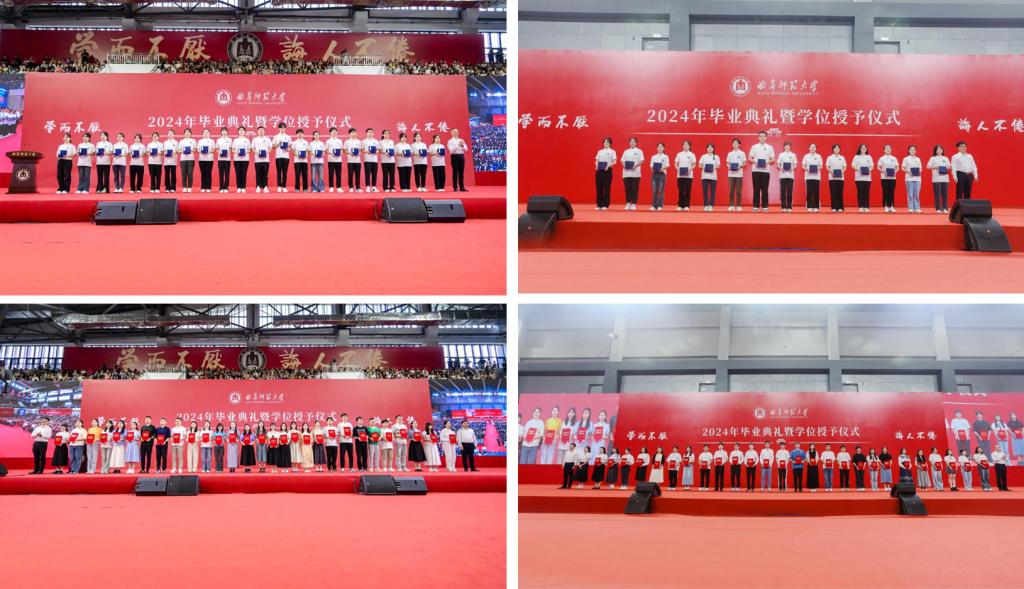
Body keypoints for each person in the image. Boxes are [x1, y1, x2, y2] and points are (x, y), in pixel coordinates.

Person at [748, 130, 775, 212]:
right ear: (758, 137)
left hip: (765, 171)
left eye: (764, 136)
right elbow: (749, 158)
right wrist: (755, 162)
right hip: (755, 170)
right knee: (756, 188)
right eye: (760, 136)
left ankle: (765, 206)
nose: (762, 137)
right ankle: (755, 206)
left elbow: (773, 159)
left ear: (766, 138)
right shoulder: (754, 147)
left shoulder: (770, 147)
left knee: (765, 189)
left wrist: (767, 163)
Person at [621, 136, 644, 211]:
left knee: (634, 189)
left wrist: (635, 166)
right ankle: (628, 203)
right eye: (631, 141)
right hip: (626, 173)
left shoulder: (639, 151)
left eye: (633, 141)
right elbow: (622, 160)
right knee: (627, 189)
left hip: (635, 173)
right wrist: (624, 166)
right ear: (629, 143)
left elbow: (642, 160)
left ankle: (634, 204)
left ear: (636, 143)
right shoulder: (626, 151)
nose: (632, 143)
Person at [593, 137, 616, 210]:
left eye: (607, 142)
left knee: (607, 188)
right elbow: (596, 160)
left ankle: (605, 205)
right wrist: (597, 165)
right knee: (599, 188)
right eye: (604, 142)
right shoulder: (600, 151)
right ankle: (599, 204)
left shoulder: (612, 151)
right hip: (599, 171)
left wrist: (608, 166)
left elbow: (614, 161)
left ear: (610, 143)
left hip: (607, 171)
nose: (605, 143)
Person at [927, 144, 951, 213]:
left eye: (940, 149)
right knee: (937, 194)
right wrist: (935, 167)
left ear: (942, 150)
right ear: (935, 151)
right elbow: (928, 166)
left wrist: (947, 167)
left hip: (945, 178)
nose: (939, 150)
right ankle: (938, 208)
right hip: (936, 178)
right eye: (938, 149)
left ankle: (945, 208)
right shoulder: (933, 158)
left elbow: (949, 166)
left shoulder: (945, 158)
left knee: (945, 194)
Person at [776, 141, 798, 212]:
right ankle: (783, 207)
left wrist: (792, 168)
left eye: (788, 145)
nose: (787, 147)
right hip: (782, 175)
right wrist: (781, 168)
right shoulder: (781, 154)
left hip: (790, 176)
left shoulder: (793, 155)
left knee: (789, 191)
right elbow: (778, 164)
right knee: (783, 191)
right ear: (784, 147)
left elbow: (795, 164)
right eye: (786, 145)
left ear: (790, 147)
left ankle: (789, 206)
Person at [877, 144, 899, 213]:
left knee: (891, 192)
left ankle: (892, 206)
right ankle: (886, 206)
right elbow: (878, 167)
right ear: (884, 150)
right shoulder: (881, 158)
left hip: (893, 178)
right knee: (885, 191)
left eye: (889, 148)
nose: (888, 150)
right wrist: (883, 171)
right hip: (884, 178)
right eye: (886, 148)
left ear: (891, 150)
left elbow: (897, 167)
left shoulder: (894, 158)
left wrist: (895, 171)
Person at [697, 143, 719, 211]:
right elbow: (699, 165)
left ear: (713, 149)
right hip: (704, 177)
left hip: (713, 177)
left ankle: (711, 205)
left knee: (713, 192)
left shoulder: (716, 157)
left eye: (711, 147)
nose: (710, 148)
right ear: (706, 149)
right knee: (705, 192)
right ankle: (706, 205)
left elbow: (718, 165)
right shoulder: (703, 156)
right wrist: (704, 167)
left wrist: (713, 168)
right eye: (708, 147)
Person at [726, 138, 746, 211]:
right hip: (731, 175)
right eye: (734, 143)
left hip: (739, 175)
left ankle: (738, 206)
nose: (735, 144)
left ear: (739, 144)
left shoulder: (742, 153)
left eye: (736, 142)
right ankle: (731, 205)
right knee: (731, 191)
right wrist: (729, 167)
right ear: (732, 144)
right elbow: (727, 163)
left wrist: (739, 166)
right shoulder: (729, 153)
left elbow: (744, 163)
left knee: (738, 191)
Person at [852, 143, 873, 212]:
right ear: (860, 149)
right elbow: (853, 166)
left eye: (865, 148)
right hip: (859, 178)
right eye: (862, 148)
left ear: (866, 149)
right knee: (860, 192)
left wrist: (868, 170)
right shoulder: (856, 157)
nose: (863, 149)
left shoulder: (869, 157)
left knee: (866, 192)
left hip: (867, 178)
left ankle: (866, 207)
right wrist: (860, 170)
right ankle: (860, 207)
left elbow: (872, 166)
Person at [802, 143, 824, 212]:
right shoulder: (806, 156)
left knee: (816, 192)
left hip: (816, 177)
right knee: (809, 192)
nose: (812, 148)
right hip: (808, 177)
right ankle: (809, 206)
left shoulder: (819, 156)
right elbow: (803, 165)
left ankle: (816, 207)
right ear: (809, 148)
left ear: (816, 148)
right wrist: (807, 169)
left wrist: (817, 169)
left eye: (814, 147)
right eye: (811, 147)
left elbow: (821, 166)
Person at [826, 144, 847, 212]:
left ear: (839, 149)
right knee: (833, 193)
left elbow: (844, 166)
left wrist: (842, 172)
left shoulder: (842, 158)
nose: (837, 149)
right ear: (833, 149)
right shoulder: (830, 157)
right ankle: (834, 208)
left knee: (840, 192)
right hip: (832, 178)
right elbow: (827, 166)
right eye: (835, 148)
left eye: (838, 148)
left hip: (840, 178)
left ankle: (840, 207)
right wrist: (831, 172)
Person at [251, 126, 272, 193]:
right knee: (258, 174)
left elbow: (270, 147)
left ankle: (265, 186)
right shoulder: (255, 139)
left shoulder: (267, 139)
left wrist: (266, 153)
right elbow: (253, 148)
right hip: (257, 160)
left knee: (265, 174)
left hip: (266, 160)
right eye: (260, 130)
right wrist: (257, 153)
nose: (261, 131)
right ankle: (258, 186)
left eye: (262, 130)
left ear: (264, 131)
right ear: (258, 131)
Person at [903, 145, 923, 213]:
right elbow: (903, 168)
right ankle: (910, 208)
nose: (912, 151)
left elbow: (920, 168)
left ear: (915, 151)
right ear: (909, 151)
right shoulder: (906, 159)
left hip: (917, 179)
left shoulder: (918, 159)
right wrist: (909, 172)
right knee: (910, 194)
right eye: (911, 150)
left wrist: (918, 172)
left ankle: (917, 208)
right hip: (909, 179)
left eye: (914, 149)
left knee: (916, 194)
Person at [649, 142, 669, 211]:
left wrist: (662, 169)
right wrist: (653, 169)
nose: (660, 148)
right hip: (655, 174)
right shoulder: (653, 156)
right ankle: (654, 206)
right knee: (654, 190)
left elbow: (667, 165)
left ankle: (660, 205)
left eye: (661, 147)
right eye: (659, 147)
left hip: (662, 174)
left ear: (664, 148)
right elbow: (651, 165)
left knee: (660, 190)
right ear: (657, 148)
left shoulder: (665, 156)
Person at [272, 122, 291, 192]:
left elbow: (290, 147)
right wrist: (278, 143)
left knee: (285, 172)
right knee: (279, 172)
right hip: (278, 156)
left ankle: (284, 186)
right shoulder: (276, 137)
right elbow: (273, 147)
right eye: (281, 128)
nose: (282, 129)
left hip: (286, 157)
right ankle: (279, 186)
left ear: (285, 128)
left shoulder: (288, 137)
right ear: (279, 128)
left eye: (283, 128)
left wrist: (288, 149)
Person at [232, 126, 251, 193]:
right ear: (238, 132)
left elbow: (249, 149)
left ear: (245, 132)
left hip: (245, 159)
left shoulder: (247, 140)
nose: (241, 131)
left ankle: (243, 187)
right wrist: (236, 152)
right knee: (238, 173)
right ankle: (239, 187)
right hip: (236, 159)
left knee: (243, 173)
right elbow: (232, 149)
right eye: (240, 130)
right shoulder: (235, 140)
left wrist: (245, 152)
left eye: (242, 130)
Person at [326, 127, 345, 192]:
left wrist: (340, 154)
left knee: (338, 174)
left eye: (335, 131)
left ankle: (338, 187)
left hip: (339, 160)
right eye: (333, 131)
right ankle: (331, 187)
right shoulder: (328, 141)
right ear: (330, 133)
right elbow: (326, 150)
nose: (334, 132)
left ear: (337, 132)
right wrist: (331, 153)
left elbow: (342, 149)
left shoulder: (340, 141)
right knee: (331, 173)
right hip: (331, 159)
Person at [197, 128, 215, 192]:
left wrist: (208, 151)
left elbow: (214, 149)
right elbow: (198, 149)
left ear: (209, 134)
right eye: (204, 132)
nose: (205, 133)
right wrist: (202, 151)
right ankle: (203, 187)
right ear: (202, 134)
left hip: (209, 159)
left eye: (207, 132)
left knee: (208, 173)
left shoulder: (212, 141)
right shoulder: (200, 141)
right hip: (201, 159)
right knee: (203, 173)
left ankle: (208, 187)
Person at [345, 128, 363, 192]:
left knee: (357, 174)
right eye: (352, 132)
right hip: (350, 160)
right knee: (350, 174)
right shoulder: (347, 142)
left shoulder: (359, 141)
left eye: (355, 132)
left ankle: (358, 187)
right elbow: (345, 151)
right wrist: (350, 153)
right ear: (349, 134)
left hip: (358, 160)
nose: (354, 134)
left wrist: (358, 153)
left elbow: (361, 150)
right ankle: (351, 187)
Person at [178, 128, 196, 192]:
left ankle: (190, 187)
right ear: (184, 134)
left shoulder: (193, 141)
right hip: (183, 159)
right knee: (183, 174)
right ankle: (184, 187)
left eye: (188, 132)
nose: (187, 133)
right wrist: (183, 151)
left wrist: (190, 150)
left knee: (190, 173)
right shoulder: (181, 141)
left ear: (190, 134)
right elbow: (179, 150)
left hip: (191, 159)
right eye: (186, 132)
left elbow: (195, 149)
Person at [362, 128, 380, 192]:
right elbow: (362, 150)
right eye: (369, 132)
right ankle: (368, 187)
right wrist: (367, 151)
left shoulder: (376, 141)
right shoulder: (364, 141)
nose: (371, 133)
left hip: (375, 160)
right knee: (367, 174)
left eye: (371, 132)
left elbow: (378, 150)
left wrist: (376, 152)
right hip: (367, 160)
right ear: (366, 133)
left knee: (374, 174)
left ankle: (374, 187)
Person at [215, 127, 233, 193]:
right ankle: (221, 187)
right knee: (221, 173)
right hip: (220, 159)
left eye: (225, 131)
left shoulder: (230, 139)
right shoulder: (218, 140)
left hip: (227, 159)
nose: (224, 132)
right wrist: (219, 152)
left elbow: (231, 148)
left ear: (227, 132)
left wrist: (228, 152)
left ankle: (226, 187)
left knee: (227, 173)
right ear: (221, 132)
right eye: (223, 131)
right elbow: (216, 148)